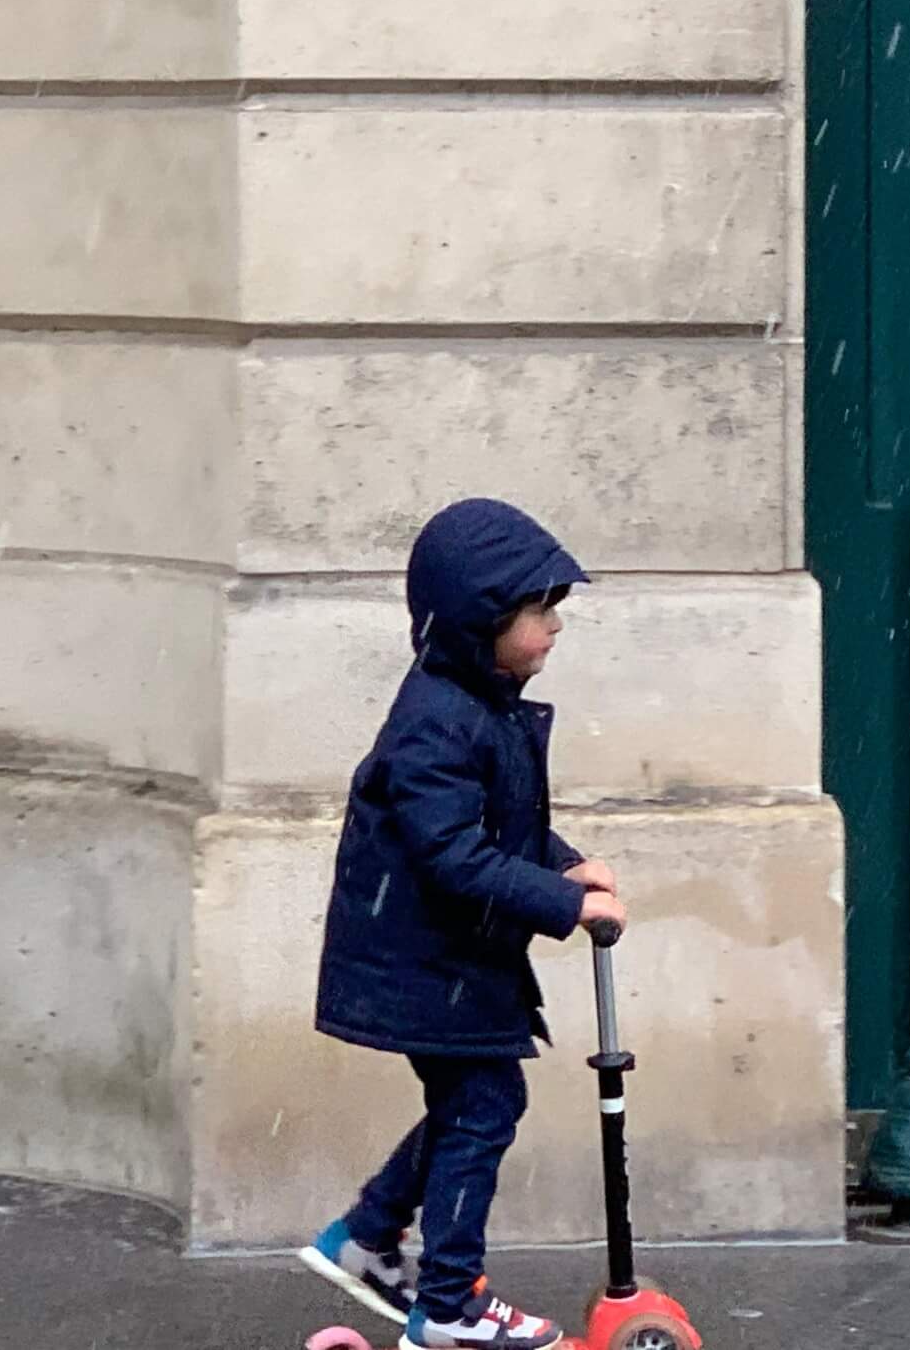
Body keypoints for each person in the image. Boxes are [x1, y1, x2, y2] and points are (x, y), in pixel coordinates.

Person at [297, 498, 625, 1349]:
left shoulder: (483, 702)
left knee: (473, 1102)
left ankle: (368, 1237)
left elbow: (494, 826)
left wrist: (561, 863)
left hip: (444, 960)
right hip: (423, 962)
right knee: (483, 1104)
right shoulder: (439, 718)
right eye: (539, 610)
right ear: (483, 620)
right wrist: (565, 904)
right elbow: (453, 855)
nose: (555, 627)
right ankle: (448, 1300)